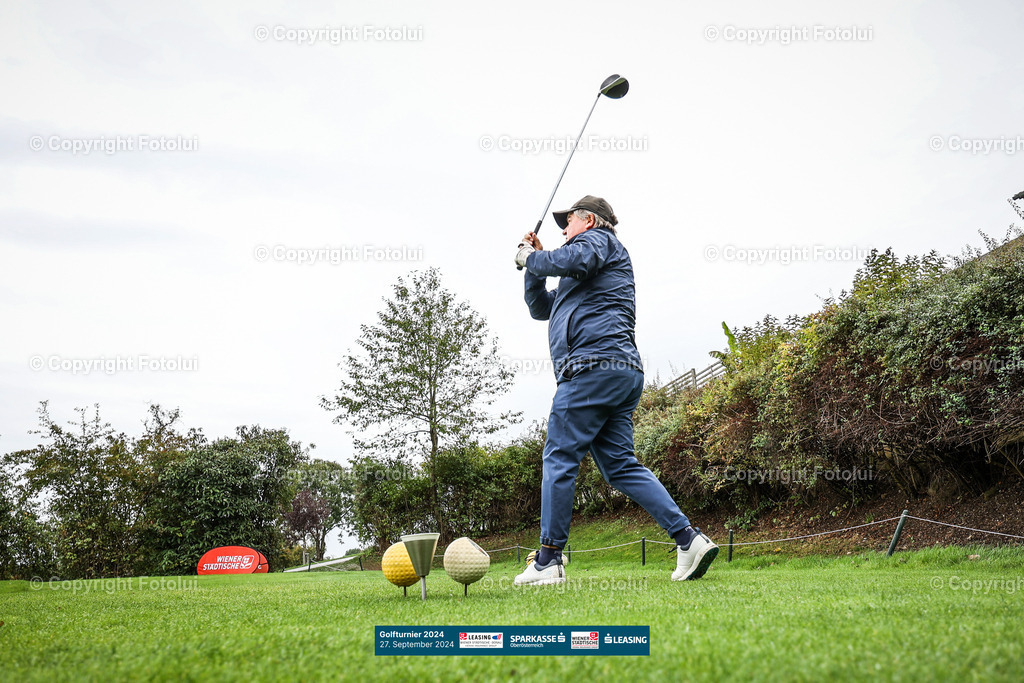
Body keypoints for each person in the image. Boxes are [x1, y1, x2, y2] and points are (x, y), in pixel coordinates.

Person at [512, 195, 718, 585]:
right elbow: (541, 308)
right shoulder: (583, 275)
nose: (563, 231)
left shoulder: (598, 242)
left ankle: (548, 559)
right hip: (617, 373)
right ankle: (688, 540)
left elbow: (573, 258)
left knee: (559, 457)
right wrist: (533, 265)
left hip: (591, 368)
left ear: (588, 220)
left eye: (567, 222)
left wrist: (531, 256)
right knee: (621, 466)